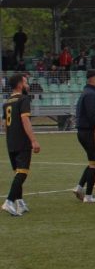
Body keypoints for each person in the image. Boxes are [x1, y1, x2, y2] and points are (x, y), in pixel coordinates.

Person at [3, 73, 40, 217]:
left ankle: (20, 202)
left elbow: (5, 124)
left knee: (17, 172)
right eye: (25, 82)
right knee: (22, 173)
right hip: (22, 141)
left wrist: (10, 138)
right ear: (19, 85)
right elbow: (26, 121)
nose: (27, 85)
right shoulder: (23, 99)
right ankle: (9, 201)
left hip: (10, 141)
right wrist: (33, 140)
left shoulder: (7, 102)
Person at [72, 69, 95, 203]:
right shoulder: (91, 95)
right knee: (94, 164)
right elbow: (93, 116)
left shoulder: (86, 93)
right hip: (88, 132)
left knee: (93, 161)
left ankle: (80, 187)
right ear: (93, 79)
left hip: (83, 132)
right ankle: (89, 196)